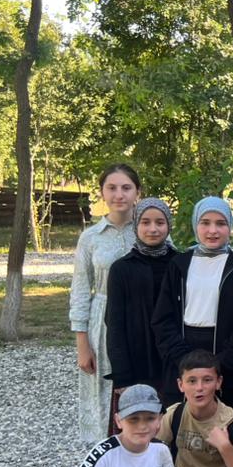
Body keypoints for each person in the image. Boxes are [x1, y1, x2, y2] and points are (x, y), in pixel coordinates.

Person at [153, 197, 233, 416]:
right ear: (195, 225)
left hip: (225, 354)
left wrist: (222, 363)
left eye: (220, 223)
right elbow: (163, 318)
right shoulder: (179, 265)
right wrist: (183, 360)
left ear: (230, 227)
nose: (212, 230)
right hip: (183, 349)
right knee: (180, 422)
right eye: (205, 223)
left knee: (226, 423)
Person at [70, 164, 139, 443]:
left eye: (126, 188)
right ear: (102, 192)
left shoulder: (149, 228)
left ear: (137, 192)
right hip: (103, 320)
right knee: (104, 387)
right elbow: (80, 290)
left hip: (141, 317)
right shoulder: (90, 238)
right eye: (112, 188)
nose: (119, 194)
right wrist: (82, 344)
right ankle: (105, 450)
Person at [105, 197, 178, 409]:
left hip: (173, 359)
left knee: (172, 419)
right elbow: (115, 324)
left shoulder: (180, 264)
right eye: (145, 222)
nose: (153, 229)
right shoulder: (121, 269)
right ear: (136, 225)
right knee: (139, 419)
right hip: (136, 360)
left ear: (168, 226)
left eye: (160, 222)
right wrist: (122, 374)